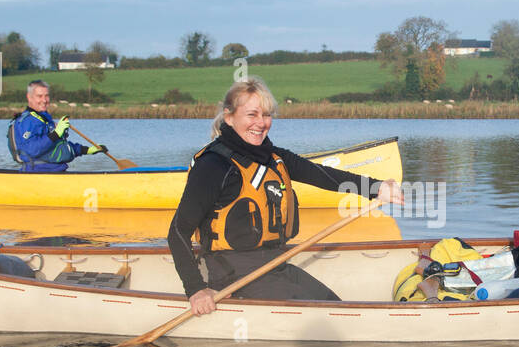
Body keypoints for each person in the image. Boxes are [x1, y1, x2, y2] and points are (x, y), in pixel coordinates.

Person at [167, 77, 403, 314]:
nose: (261, 123)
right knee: (329, 316)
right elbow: (178, 231)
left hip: (273, 266)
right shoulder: (213, 165)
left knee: (334, 305)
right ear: (229, 117)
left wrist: (377, 188)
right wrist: (196, 290)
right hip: (232, 276)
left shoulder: (273, 157)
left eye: (267, 115)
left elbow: (322, 175)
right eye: (252, 115)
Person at [8, 80, 107, 172]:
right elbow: (31, 150)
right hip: (38, 173)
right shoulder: (27, 121)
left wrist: (87, 150)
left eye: (46, 96)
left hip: (56, 171)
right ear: (29, 97)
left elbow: (58, 147)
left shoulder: (44, 118)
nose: (44, 100)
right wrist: (56, 133)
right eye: (39, 96)